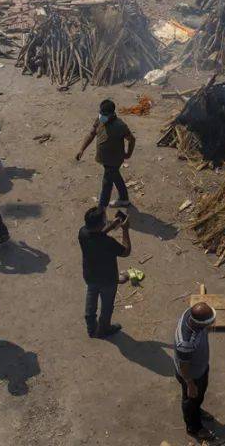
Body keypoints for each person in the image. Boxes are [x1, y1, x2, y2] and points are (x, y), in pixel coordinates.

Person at [77, 206, 131, 338]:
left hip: (90, 275)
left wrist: (112, 226)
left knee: (91, 296)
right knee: (107, 306)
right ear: (99, 224)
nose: (106, 220)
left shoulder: (82, 233)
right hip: (108, 279)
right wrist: (125, 230)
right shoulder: (108, 242)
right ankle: (104, 328)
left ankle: (91, 327)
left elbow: (97, 234)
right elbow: (126, 251)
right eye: (104, 220)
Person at [75, 99, 136, 208]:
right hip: (104, 159)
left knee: (106, 184)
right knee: (115, 176)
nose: (101, 116)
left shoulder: (120, 126)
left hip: (114, 160)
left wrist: (128, 154)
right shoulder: (99, 120)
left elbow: (132, 139)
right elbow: (91, 134)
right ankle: (124, 199)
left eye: (104, 114)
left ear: (112, 113)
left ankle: (100, 211)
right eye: (101, 113)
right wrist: (82, 149)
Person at [173, 302, 217, 441]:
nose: (213, 323)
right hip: (191, 375)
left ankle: (197, 409)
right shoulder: (185, 343)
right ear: (200, 324)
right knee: (190, 400)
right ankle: (194, 427)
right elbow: (184, 366)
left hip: (200, 367)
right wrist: (190, 384)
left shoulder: (189, 314)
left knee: (198, 397)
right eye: (209, 322)